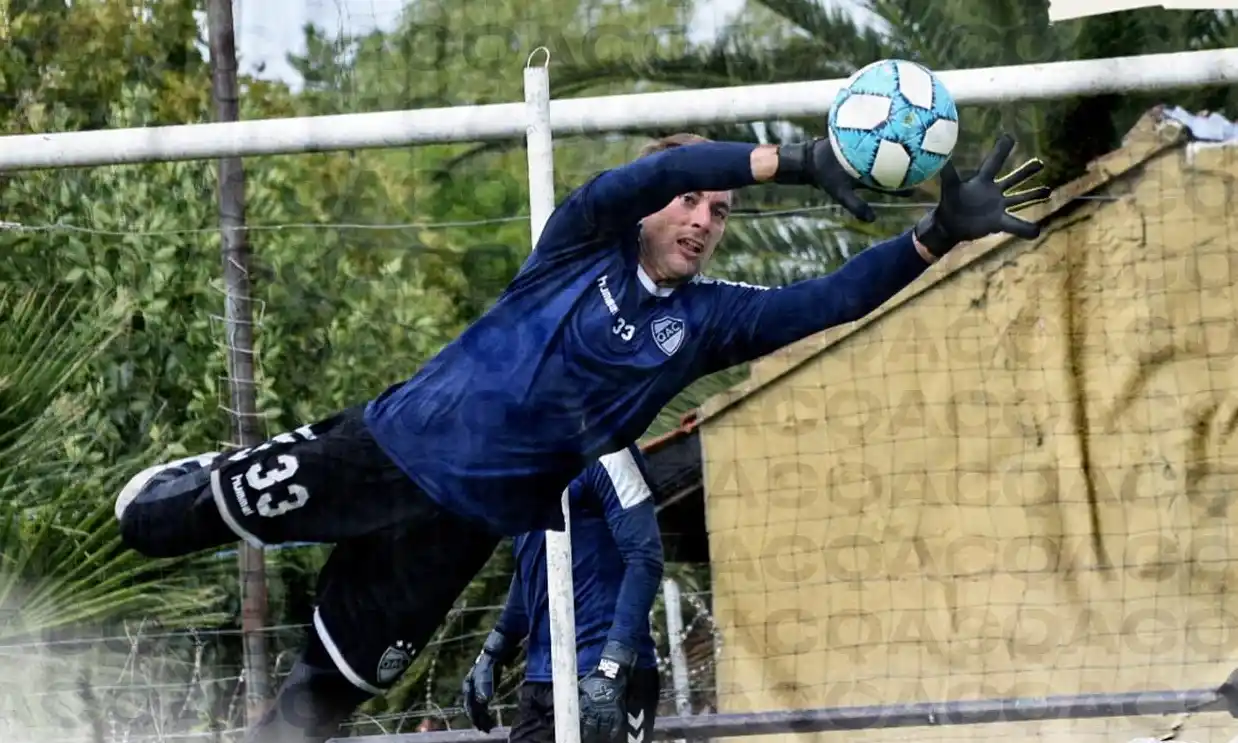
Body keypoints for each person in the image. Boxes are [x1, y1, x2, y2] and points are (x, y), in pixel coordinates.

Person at [113, 129, 1051, 743]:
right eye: (694, 201)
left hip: (453, 534)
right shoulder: (580, 239)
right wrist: (791, 162)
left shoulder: (709, 320)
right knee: (153, 521)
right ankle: (218, 478)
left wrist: (934, 236)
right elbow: (648, 172)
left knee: (317, 708)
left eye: (720, 214)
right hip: (384, 447)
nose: (702, 219)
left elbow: (828, 299)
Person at [460, 444, 663, 743]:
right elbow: (533, 567)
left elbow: (645, 558)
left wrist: (612, 666)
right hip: (543, 680)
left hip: (606, 677)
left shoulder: (608, 450)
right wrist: (493, 651)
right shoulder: (525, 463)